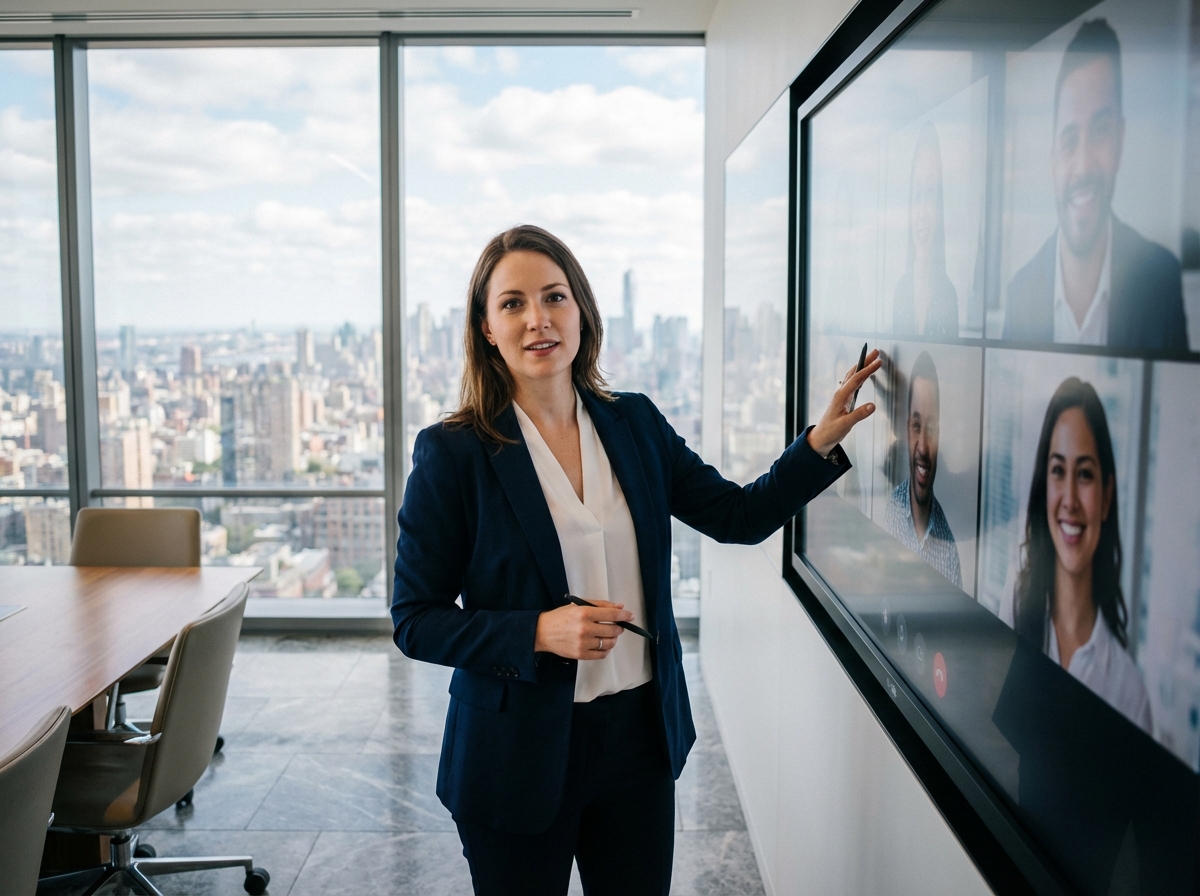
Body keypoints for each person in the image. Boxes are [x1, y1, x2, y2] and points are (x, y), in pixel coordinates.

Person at [391, 225, 880, 896]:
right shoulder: (453, 453)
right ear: (486, 328)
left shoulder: (636, 423)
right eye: (513, 303)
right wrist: (539, 631)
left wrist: (817, 444)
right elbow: (414, 619)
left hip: (637, 741)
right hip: (517, 754)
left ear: (583, 310)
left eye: (554, 297)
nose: (538, 318)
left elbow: (737, 516)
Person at [1003, 18, 1188, 351]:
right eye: (1069, 140)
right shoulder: (1020, 294)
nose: (1083, 165)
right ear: (1053, 160)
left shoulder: (1161, 280)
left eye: (1101, 131)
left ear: (1119, 141)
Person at [1004, 377, 1150, 733]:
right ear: (1044, 485)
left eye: (1084, 474)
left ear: (1107, 495)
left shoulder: (1129, 692)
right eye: (1058, 471)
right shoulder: (1012, 609)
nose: (1069, 498)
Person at [883, 351, 962, 587]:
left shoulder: (949, 550)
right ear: (907, 430)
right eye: (917, 426)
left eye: (932, 429)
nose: (923, 448)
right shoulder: (891, 509)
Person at [893, 122, 959, 338]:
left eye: (930, 193)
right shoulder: (901, 293)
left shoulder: (948, 295)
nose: (922, 213)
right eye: (918, 194)